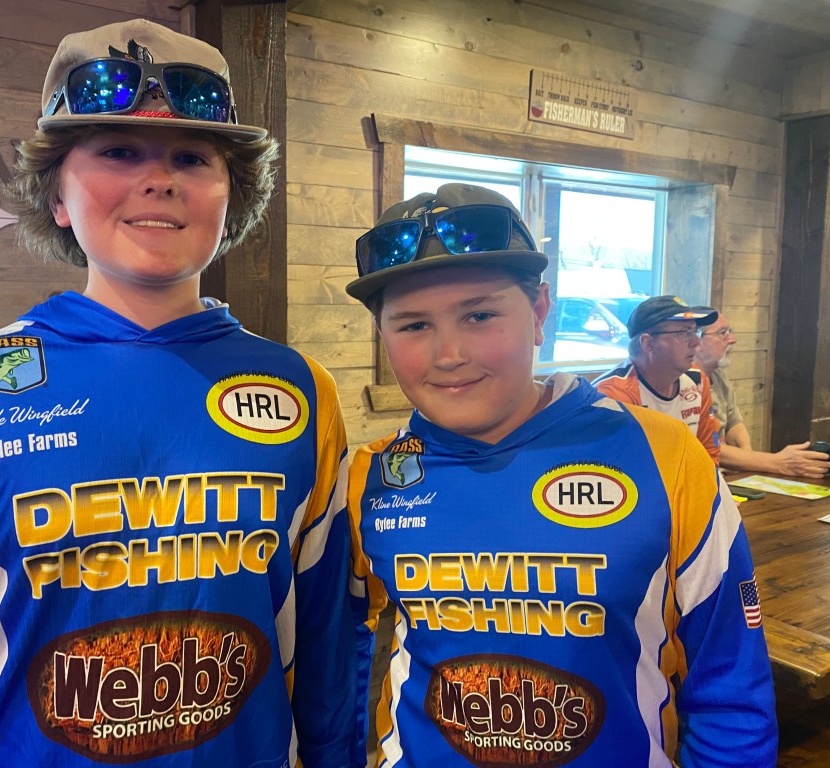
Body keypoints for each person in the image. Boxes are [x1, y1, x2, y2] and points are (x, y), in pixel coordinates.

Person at [0, 19, 354, 768]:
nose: (160, 178)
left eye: (192, 157)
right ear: (57, 193)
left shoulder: (303, 393)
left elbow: (329, 657)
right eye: (118, 151)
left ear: (233, 195)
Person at [344, 183, 777, 767]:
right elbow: (335, 660)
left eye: (480, 315)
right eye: (413, 325)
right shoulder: (371, 477)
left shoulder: (666, 455)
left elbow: (730, 683)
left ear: (540, 312)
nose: (449, 355)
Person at [695, 311, 830, 478]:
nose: (732, 339)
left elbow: (734, 424)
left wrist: (747, 460)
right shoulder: (687, 384)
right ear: (697, 341)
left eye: (730, 331)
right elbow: (704, 445)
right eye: (723, 333)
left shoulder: (717, 374)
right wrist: (776, 462)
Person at [593, 295, 722, 465]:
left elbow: (708, 455)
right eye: (684, 333)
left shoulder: (697, 379)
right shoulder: (613, 396)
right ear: (648, 344)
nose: (696, 342)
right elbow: (617, 471)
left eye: (694, 331)